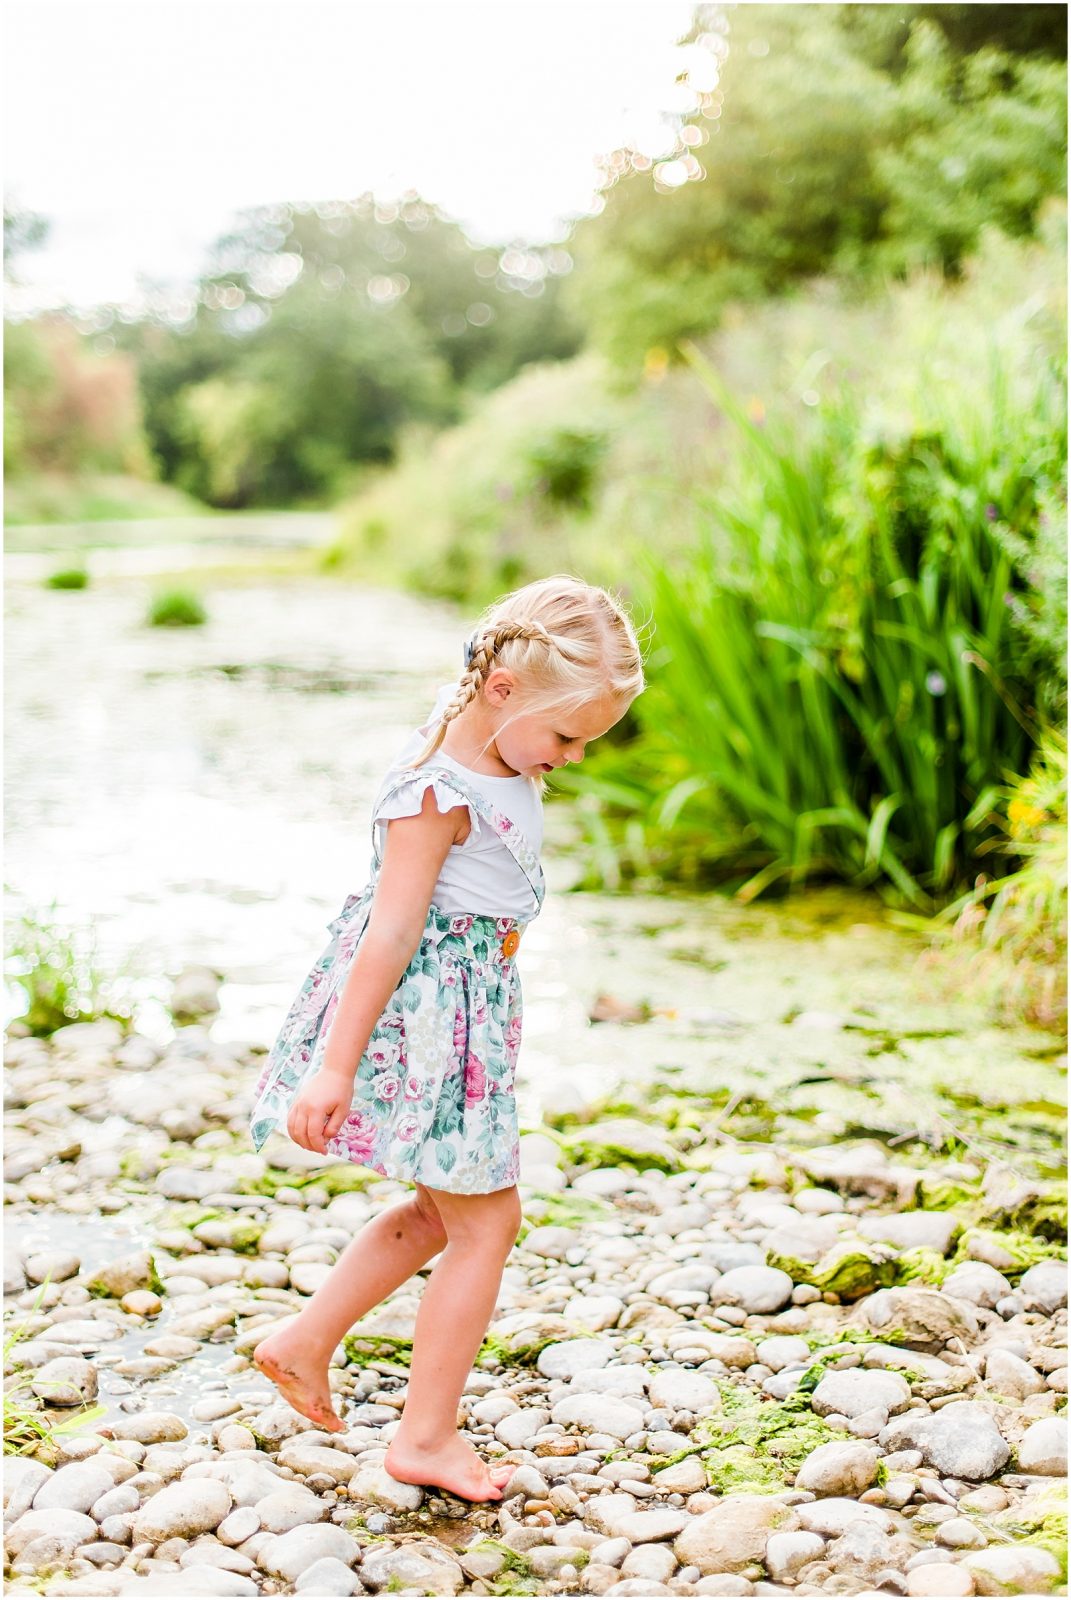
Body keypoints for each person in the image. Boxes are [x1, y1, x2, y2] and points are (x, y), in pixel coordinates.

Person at [246, 573, 647, 1502]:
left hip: (471, 1018)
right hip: (428, 1021)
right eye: (568, 736)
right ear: (503, 691)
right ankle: (423, 1437)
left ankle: (302, 1342)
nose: (575, 756)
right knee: (485, 1223)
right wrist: (332, 1067)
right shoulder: (438, 791)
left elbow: (498, 691)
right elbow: (388, 932)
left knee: (443, 1211)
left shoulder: (490, 740)